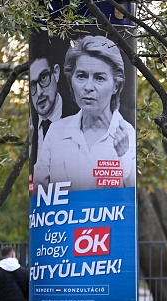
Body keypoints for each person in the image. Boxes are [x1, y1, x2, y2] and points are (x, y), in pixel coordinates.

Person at [33, 35, 136, 191]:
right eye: (81, 76)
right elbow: (37, 191)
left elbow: (132, 197)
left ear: (116, 86)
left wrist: (124, 156)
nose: (88, 87)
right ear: (71, 79)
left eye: (99, 78)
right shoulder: (56, 131)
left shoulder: (127, 133)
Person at [28, 54, 77, 172]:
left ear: (55, 73)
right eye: (33, 85)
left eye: (43, 78)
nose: (39, 92)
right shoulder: (28, 127)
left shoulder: (79, 115)